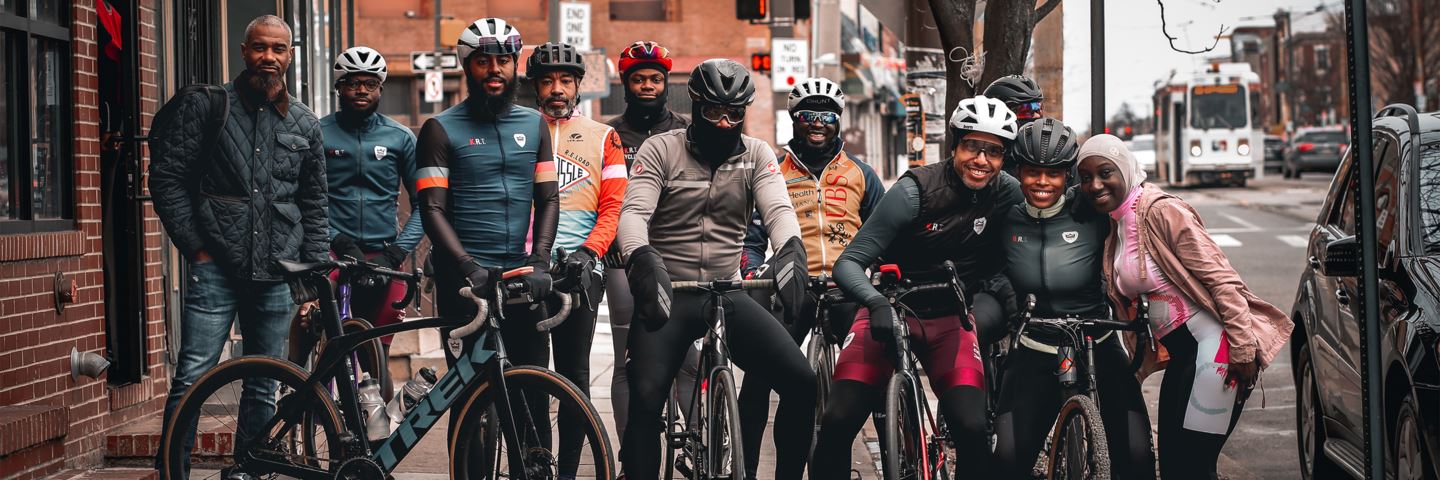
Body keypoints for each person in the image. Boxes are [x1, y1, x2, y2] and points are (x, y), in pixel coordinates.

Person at [616, 58, 814, 480]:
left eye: (735, 114)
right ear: (696, 106)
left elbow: (779, 210)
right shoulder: (661, 149)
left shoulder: (757, 154)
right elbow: (633, 213)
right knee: (646, 401)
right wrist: (641, 257)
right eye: (713, 113)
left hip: (728, 292)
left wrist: (791, 252)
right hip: (670, 291)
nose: (724, 123)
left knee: (802, 383)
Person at [149, 15, 328, 475]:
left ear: (291, 55)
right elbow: (168, 180)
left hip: (277, 276)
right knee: (192, 379)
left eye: (279, 49)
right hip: (216, 271)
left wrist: (311, 281)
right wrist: (196, 249)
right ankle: (173, 471)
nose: (269, 57)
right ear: (244, 50)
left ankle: (251, 471)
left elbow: (315, 205)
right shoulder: (209, 107)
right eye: (259, 48)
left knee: (264, 384)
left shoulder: (306, 124)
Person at [811, 95, 1021, 479]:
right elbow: (848, 265)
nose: (982, 160)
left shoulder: (1006, 191)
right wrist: (875, 304)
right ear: (955, 145)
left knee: (973, 430)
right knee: (838, 420)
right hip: (892, 308)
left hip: (951, 321)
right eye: (973, 146)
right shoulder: (914, 191)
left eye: (993, 152)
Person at [1076, 134, 1293, 480]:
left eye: (1105, 173)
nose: (1096, 185)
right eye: (1085, 178)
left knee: (1193, 467)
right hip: (1184, 359)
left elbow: (1222, 280)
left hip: (1216, 352)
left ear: (1127, 170)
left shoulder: (1162, 211)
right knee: (1176, 467)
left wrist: (1241, 346)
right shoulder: (1116, 226)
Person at [413, 16, 558, 455]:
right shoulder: (440, 129)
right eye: (482, 62)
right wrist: (466, 266)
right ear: (466, 67)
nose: (494, 69)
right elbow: (431, 210)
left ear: (515, 65)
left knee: (532, 392)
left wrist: (542, 258)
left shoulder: (534, 126)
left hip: (520, 276)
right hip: (466, 281)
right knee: (471, 398)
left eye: (503, 61)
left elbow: (548, 199)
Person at [736, 77, 883, 479]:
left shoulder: (861, 174)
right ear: (794, 120)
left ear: (838, 121)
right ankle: (748, 468)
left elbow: (885, 230)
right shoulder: (772, 172)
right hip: (792, 288)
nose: (817, 123)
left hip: (847, 287)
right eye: (808, 115)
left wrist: (882, 272)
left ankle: (895, 461)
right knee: (758, 381)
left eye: (827, 116)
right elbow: (751, 239)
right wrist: (753, 271)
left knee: (879, 374)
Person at [994, 119, 1154, 479]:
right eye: (1032, 172)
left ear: (1067, 175)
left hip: (1097, 338)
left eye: (1053, 174)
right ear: (1018, 172)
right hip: (1036, 344)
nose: (1042, 183)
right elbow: (987, 268)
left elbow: (1137, 205)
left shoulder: (1092, 209)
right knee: (1005, 462)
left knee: (1138, 456)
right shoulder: (1005, 214)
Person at [526, 41, 627, 473]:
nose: (557, 89)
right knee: (528, 378)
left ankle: (567, 469)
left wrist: (590, 253)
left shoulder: (606, 137)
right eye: (547, 80)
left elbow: (613, 207)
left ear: (578, 85)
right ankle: (534, 465)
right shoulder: (520, 131)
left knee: (573, 379)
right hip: (526, 270)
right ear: (534, 86)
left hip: (580, 271)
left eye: (565, 80)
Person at [300, 46, 422, 402]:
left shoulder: (400, 138)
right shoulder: (318, 133)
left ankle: (377, 444)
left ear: (381, 88)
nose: (362, 90)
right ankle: (297, 390)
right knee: (316, 333)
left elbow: (425, 206)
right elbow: (306, 199)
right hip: (332, 252)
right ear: (339, 87)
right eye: (353, 83)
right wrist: (336, 240)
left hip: (382, 257)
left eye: (370, 83)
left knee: (376, 356)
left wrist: (397, 252)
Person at [604, 41, 693, 440]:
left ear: (666, 83)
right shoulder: (608, 134)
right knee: (628, 359)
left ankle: (697, 445)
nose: (647, 86)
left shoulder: (688, 129)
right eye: (637, 79)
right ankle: (629, 456)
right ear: (625, 84)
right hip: (624, 254)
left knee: (688, 360)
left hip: (678, 250)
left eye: (655, 79)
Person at [983, 75, 1045, 177]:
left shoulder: (1050, 155)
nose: (1037, 115)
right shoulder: (982, 160)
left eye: (1038, 107)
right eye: (1026, 109)